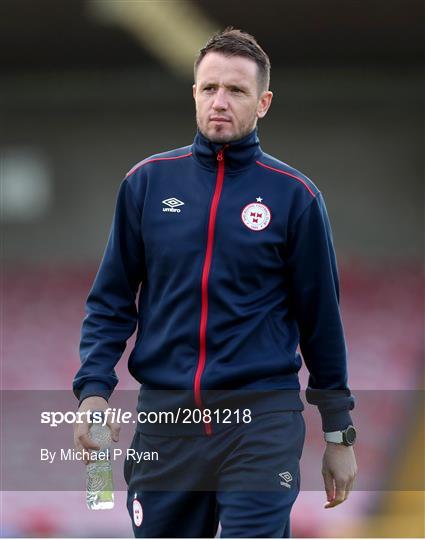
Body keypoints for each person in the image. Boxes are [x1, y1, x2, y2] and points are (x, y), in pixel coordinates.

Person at [73, 27, 357, 538]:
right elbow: (112, 301)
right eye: (209, 89)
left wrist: (339, 433)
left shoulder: (295, 197)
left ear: (263, 102)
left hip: (261, 419)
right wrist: (94, 390)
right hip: (166, 421)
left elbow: (321, 321)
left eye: (236, 91)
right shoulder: (146, 183)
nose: (219, 102)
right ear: (194, 95)